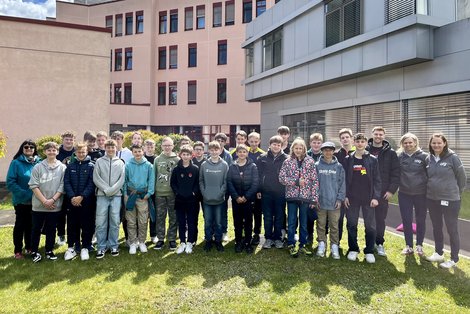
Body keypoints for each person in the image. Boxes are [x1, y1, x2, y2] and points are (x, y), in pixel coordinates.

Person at [425, 133, 466, 269]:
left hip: (450, 200)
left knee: (451, 229)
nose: (436, 145)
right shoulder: (429, 158)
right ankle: (438, 252)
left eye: (439, 143)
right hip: (432, 199)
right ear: (430, 144)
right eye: (434, 143)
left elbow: (462, 178)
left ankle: (454, 258)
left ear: (444, 144)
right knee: (436, 227)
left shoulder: (453, 158)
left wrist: (455, 193)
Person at [344, 133, 381, 264]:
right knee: (351, 224)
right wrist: (345, 196)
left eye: (362, 141)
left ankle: (369, 251)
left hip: (368, 199)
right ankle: (353, 248)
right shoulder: (349, 159)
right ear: (354, 143)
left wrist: (376, 197)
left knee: (370, 226)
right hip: (352, 199)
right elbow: (344, 180)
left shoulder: (372, 159)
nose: (360, 144)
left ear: (366, 143)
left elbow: (377, 180)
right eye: (357, 141)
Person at [279, 137, 319, 257]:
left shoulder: (310, 161)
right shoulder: (287, 161)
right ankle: (291, 243)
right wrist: (295, 182)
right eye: (296, 148)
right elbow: (281, 178)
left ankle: (303, 244)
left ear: (304, 149)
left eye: (300, 148)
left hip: (305, 197)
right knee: (291, 221)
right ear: (292, 149)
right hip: (292, 197)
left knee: (303, 222)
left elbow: (315, 180)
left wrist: (314, 198)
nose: (298, 150)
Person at [28, 142, 66, 263]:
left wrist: (52, 200)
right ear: (44, 152)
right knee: (36, 229)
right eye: (49, 150)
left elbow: (62, 185)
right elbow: (33, 185)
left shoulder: (62, 167)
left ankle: (49, 250)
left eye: (54, 150)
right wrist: (44, 201)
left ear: (57, 152)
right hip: (39, 205)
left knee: (51, 229)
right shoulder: (38, 167)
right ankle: (34, 251)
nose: (51, 152)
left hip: (54, 205)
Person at [366, 126, 400, 257]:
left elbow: (396, 173)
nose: (378, 136)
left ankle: (379, 243)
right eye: (376, 134)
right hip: (367, 192)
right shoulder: (365, 150)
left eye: (381, 134)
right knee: (369, 219)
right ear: (372, 134)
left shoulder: (391, 153)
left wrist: (391, 190)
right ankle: (370, 243)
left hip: (383, 192)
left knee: (380, 219)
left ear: (384, 136)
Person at [6, 140, 40, 259]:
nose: (29, 148)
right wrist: (25, 194)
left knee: (31, 225)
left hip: (36, 200)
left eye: (32, 147)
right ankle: (18, 251)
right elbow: (10, 182)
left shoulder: (39, 162)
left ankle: (29, 247)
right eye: (26, 147)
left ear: (35, 149)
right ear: (22, 148)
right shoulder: (16, 163)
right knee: (20, 225)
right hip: (21, 200)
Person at [396, 133, 428, 256]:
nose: (408, 145)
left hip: (421, 194)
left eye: (410, 142)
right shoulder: (399, 157)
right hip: (404, 193)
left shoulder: (425, 157)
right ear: (402, 144)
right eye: (405, 143)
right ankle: (408, 246)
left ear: (415, 143)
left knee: (421, 219)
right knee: (406, 220)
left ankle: (419, 245)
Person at [93, 139, 125, 259]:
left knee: (115, 221)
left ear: (116, 148)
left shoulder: (120, 162)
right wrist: (106, 190)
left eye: (113, 147)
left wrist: (112, 191)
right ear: (105, 148)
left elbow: (121, 179)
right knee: (100, 222)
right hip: (102, 196)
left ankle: (113, 245)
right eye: (108, 147)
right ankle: (101, 247)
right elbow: (96, 178)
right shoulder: (100, 162)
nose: (111, 149)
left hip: (116, 196)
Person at [63, 142, 95, 261]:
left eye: (83, 152)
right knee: (72, 225)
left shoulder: (91, 166)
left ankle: (85, 246)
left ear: (87, 152)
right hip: (72, 202)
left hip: (86, 201)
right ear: (75, 153)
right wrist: (72, 197)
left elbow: (91, 184)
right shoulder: (70, 166)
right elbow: (66, 182)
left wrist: (82, 196)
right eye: (79, 152)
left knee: (87, 224)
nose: (81, 154)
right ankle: (73, 246)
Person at [315, 142, 345, 260]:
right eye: (325, 150)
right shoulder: (317, 165)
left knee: (334, 225)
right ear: (322, 151)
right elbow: (314, 183)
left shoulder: (339, 167)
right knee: (321, 224)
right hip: (321, 201)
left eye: (330, 150)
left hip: (334, 202)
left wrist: (340, 198)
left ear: (333, 151)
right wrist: (315, 198)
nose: (328, 152)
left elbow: (342, 184)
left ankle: (334, 245)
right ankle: (322, 244)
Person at [258, 135, 288, 249]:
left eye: (278, 145)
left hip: (281, 192)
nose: (276, 147)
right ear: (270, 145)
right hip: (266, 192)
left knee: (280, 215)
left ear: (282, 146)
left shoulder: (286, 158)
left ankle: (278, 238)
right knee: (268, 216)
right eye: (274, 144)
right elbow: (259, 175)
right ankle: (268, 238)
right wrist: (259, 190)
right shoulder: (262, 158)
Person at [227, 144, 259, 254]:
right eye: (240, 152)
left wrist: (246, 197)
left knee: (249, 221)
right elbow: (229, 182)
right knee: (237, 221)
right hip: (236, 200)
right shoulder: (232, 166)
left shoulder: (253, 166)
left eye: (244, 152)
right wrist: (236, 196)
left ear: (247, 153)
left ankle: (247, 243)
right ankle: (238, 241)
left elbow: (255, 183)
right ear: (236, 153)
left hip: (248, 199)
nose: (242, 154)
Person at [124, 144, 155, 255]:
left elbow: (151, 180)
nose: (137, 153)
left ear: (143, 151)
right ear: (132, 153)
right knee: (131, 221)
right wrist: (125, 194)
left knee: (142, 220)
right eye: (135, 152)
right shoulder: (128, 165)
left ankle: (142, 241)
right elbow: (125, 181)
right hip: (130, 195)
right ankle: (132, 242)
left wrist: (149, 193)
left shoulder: (148, 166)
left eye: (139, 151)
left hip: (143, 196)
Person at [199, 141, 229, 252]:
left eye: (216, 149)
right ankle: (208, 241)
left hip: (219, 200)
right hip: (207, 199)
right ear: (209, 151)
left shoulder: (224, 165)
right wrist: (204, 193)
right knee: (208, 222)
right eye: (212, 150)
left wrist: (220, 193)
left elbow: (226, 182)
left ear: (220, 150)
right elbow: (201, 181)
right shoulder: (204, 165)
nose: (214, 152)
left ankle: (218, 241)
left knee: (218, 222)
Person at [171, 145, 200, 254]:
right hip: (180, 200)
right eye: (184, 154)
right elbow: (173, 183)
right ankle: (182, 242)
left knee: (192, 221)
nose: (186, 156)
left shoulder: (195, 169)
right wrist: (177, 192)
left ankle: (190, 242)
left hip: (192, 200)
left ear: (191, 156)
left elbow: (198, 183)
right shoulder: (176, 169)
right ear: (180, 155)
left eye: (188, 154)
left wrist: (193, 192)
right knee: (181, 221)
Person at [153, 137, 180, 250]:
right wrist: (153, 190)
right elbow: (154, 175)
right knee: (160, 217)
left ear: (173, 146)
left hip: (172, 193)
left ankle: (172, 239)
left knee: (173, 216)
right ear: (162, 147)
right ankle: (160, 239)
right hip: (160, 193)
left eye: (169, 145)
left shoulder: (177, 160)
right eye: (165, 145)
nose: (167, 147)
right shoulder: (157, 160)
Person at [334, 128, 355, 243]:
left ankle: (352, 246)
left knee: (351, 221)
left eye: (347, 137)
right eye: (343, 138)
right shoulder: (336, 155)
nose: (345, 139)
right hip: (339, 193)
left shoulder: (358, 153)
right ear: (340, 140)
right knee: (338, 219)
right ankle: (336, 243)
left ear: (351, 138)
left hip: (353, 193)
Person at [56, 130, 76, 246]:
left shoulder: (76, 151)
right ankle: (61, 235)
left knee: (73, 214)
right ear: (62, 140)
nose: (69, 141)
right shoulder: (58, 152)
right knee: (61, 213)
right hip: (60, 187)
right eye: (66, 139)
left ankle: (72, 235)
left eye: (71, 139)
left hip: (74, 188)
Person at [247, 132, 265, 246]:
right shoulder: (244, 152)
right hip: (246, 188)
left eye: (256, 141)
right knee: (247, 212)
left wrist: (259, 190)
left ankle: (256, 234)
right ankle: (247, 233)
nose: (254, 144)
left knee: (257, 213)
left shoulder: (263, 155)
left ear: (259, 141)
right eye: (251, 141)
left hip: (257, 189)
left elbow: (262, 174)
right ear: (248, 142)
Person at [214, 132, 233, 241]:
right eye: (218, 140)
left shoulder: (228, 155)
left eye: (222, 141)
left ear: (225, 143)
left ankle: (224, 231)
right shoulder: (210, 153)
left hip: (224, 188)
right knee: (213, 210)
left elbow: (230, 172)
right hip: (213, 188)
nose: (220, 143)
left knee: (223, 210)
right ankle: (214, 231)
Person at [306, 133, 323, 245]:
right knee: (309, 215)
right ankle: (309, 236)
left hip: (323, 190)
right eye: (314, 142)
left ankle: (322, 238)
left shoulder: (325, 154)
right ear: (310, 143)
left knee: (322, 216)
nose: (316, 145)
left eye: (318, 143)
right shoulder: (306, 155)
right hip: (309, 190)